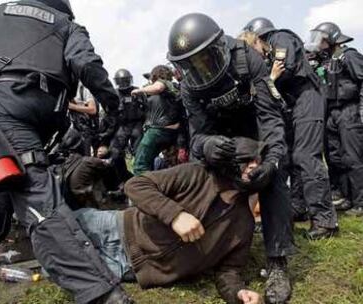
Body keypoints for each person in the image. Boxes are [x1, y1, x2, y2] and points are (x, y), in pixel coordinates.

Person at [0, 1, 134, 303]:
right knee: (37, 197)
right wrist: (113, 105)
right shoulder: (67, 24)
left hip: (6, 106)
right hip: (41, 112)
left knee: (8, 187)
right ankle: (101, 292)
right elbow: (87, 64)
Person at [166, 13, 295, 304]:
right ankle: (210, 250)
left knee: (273, 180)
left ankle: (277, 261)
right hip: (222, 144)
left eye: (206, 60)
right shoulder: (189, 87)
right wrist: (208, 146)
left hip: (256, 134)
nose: (201, 71)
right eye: (192, 65)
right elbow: (197, 136)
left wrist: (272, 161)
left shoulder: (247, 59)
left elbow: (270, 118)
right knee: (204, 179)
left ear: (220, 47)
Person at [74, 137, 265, 304]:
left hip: (127, 267)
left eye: (258, 162)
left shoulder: (243, 225)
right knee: (52, 229)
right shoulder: (198, 174)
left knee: (58, 264)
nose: (254, 166)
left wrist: (238, 293)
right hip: (115, 227)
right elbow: (136, 185)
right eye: (248, 160)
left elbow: (228, 271)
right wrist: (175, 215)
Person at [244, 17, 338, 238]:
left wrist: (267, 78)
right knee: (293, 159)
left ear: (260, 37)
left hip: (308, 98)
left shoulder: (280, 37)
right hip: (296, 105)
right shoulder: (269, 52)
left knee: (307, 156)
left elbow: (283, 68)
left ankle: (325, 221)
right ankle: (299, 208)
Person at [306, 22, 363, 216]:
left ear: (331, 39)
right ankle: (345, 197)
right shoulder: (327, 60)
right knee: (335, 157)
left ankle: (360, 202)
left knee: (353, 158)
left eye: (321, 40)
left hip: (349, 111)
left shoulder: (350, 56)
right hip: (331, 113)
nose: (318, 44)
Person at [132, 65, 186, 175]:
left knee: (139, 166)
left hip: (157, 130)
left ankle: (144, 189)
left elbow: (158, 87)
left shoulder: (163, 83)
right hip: (171, 132)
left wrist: (139, 90)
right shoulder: (174, 87)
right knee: (164, 163)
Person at [69, 83, 100, 156]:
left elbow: (93, 109)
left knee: (86, 158)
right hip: (71, 130)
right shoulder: (65, 88)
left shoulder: (83, 88)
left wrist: (71, 106)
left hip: (85, 130)